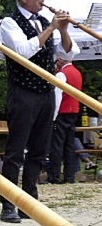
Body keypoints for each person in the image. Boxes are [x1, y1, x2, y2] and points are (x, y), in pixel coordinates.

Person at [0, 0, 79, 222]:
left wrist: (62, 30)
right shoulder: (9, 23)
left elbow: (68, 52)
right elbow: (24, 51)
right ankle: (8, 203)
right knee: (15, 150)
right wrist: (52, 27)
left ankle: (29, 201)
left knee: (38, 149)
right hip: (23, 92)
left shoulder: (44, 21)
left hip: (45, 92)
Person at [47, 54, 82, 184]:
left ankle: (54, 176)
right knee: (69, 144)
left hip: (62, 111)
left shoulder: (62, 74)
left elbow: (57, 96)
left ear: (61, 60)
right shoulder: (77, 72)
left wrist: (53, 115)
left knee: (57, 145)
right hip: (74, 110)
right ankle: (69, 175)